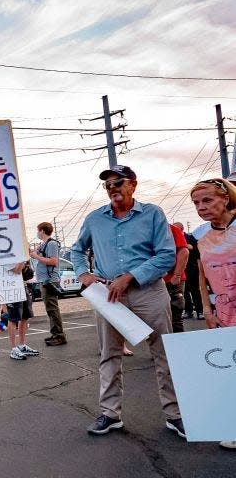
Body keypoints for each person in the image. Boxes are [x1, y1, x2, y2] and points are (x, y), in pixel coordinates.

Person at [69, 165, 182, 438]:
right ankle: (110, 414)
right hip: (109, 295)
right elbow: (76, 249)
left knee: (164, 353)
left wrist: (131, 276)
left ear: (133, 184)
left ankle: (174, 414)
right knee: (110, 354)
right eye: (107, 185)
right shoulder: (95, 219)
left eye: (118, 182)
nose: (112, 188)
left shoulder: (153, 214)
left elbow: (167, 255)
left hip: (149, 291)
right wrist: (83, 273)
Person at [190, 177, 236, 450]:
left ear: (227, 198)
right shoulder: (200, 236)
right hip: (225, 308)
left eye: (207, 200)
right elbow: (202, 275)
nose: (201, 207)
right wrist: (207, 308)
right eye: (196, 203)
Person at [30, 222, 66, 345]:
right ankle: (55, 333)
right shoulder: (44, 244)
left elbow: (53, 261)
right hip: (45, 280)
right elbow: (34, 254)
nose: (37, 233)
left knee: (52, 309)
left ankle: (59, 335)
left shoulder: (51, 244)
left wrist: (37, 257)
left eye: (38, 230)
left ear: (42, 231)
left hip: (49, 280)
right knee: (50, 309)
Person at [5, 263, 40, 360]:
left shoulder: (18, 255)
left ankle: (22, 345)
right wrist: (23, 261)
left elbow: (27, 272)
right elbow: (17, 270)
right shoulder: (7, 257)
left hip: (23, 286)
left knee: (25, 316)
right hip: (12, 288)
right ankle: (13, 348)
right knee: (13, 318)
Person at [163, 222, 189, 333]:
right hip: (153, 281)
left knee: (175, 317)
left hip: (172, 279)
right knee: (159, 318)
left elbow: (184, 252)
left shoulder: (171, 229)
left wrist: (177, 275)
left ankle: (179, 346)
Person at [181, 226, 203, 320]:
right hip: (181, 269)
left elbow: (194, 248)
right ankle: (188, 311)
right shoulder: (171, 238)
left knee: (195, 291)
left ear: (181, 229)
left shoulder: (190, 237)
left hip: (192, 268)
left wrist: (183, 245)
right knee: (184, 292)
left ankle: (200, 311)